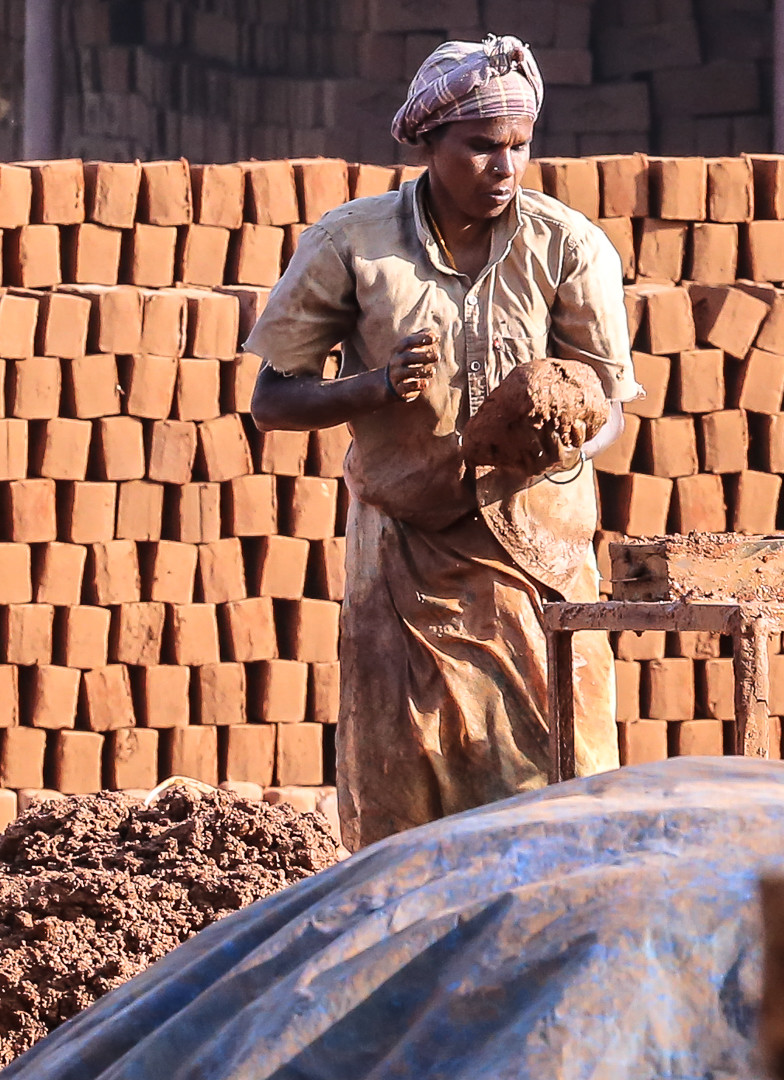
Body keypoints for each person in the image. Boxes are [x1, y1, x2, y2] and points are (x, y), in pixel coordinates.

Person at [246, 35, 641, 851]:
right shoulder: (352, 244)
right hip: (403, 562)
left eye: (521, 146)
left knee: (556, 803)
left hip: (541, 567)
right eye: (483, 146)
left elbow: (610, 406)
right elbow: (271, 402)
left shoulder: (567, 246)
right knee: (407, 811)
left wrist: (563, 436)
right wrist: (375, 387)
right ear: (431, 144)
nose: (506, 167)